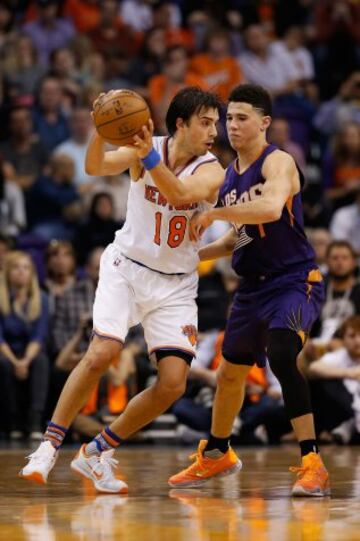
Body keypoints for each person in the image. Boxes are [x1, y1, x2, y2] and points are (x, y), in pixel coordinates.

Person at [19, 86, 224, 493]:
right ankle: (48, 445)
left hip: (176, 284)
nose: (214, 131)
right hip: (127, 268)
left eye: (216, 123)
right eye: (206, 122)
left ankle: (96, 453)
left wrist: (145, 154)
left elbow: (180, 194)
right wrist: (102, 128)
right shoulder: (145, 149)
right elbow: (95, 167)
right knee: (102, 352)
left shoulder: (211, 168)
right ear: (180, 123)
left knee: (172, 384)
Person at [169, 84, 330, 497]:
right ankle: (218, 452)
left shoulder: (279, 163)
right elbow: (235, 239)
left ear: (264, 122)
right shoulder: (229, 177)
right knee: (229, 372)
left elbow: (270, 209)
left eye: (242, 118)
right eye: (229, 118)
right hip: (252, 288)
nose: (232, 125)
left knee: (281, 353)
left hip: (295, 281)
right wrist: (188, 256)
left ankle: (312, 462)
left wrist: (215, 213)